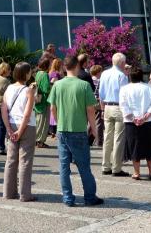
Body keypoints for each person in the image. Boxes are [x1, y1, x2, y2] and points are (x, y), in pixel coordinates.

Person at [48, 55, 103, 206]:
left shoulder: (58, 85)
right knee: (84, 165)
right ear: (77, 67)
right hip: (78, 129)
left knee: (64, 166)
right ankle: (90, 197)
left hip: (62, 130)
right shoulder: (84, 85)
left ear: (65, 68)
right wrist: (94, 129)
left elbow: (52, 107)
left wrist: (59, 122)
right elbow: (91, 110)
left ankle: (67, 198)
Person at [2, 62, 37, 202]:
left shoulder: (9, 88)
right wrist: (21, 130)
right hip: (26, 126)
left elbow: (3, 109)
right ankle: (25, 194)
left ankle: (8, 192)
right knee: (25, 161)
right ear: (26, 74)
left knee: (11, 160)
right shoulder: (29, 91)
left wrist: (9, 129)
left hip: (11, 123)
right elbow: (27, 114)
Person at [120, 67, 151, 180]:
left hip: (131, 122)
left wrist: (134, 118)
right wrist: (145, 116)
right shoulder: (149, 88)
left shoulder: (124, 89)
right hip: (148, 120)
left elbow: (123, 105)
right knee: (149, 145)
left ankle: (137, 172)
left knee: (134, 146)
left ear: (130, 77)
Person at [100, 53, 130, 176]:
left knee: (107, 137)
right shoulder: (122, 75)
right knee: (118, 139)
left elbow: (101, 94)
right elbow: (124, 96)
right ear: (122, 63)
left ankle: (105, 165)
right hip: (118, 107)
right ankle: (116, 168)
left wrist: (102, 109)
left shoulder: (104, 73)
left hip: (107, 106)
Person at [33, 58, 52, 148]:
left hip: (37, 100)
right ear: (47, 65)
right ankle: (40, 141)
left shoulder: (38, 73)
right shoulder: (45, 75)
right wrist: (52, 85)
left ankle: (36, 139)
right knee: (43, 122)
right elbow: (46, 89)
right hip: (44, 101)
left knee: (38, 120)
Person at [90, 65, 105, 146]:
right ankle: (99, 141)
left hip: (90, 102)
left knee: (91, 120)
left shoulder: (90, 80)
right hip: (98, 102)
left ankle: (88, 139)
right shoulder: (99, 81)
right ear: (98, 72)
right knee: (99, 122)